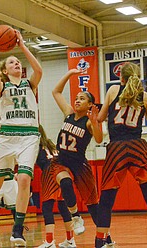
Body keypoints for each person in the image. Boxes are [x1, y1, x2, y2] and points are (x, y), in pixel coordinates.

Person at [0, 29, 42, 247]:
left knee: (23, 179)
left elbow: (38, 70)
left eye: (18, 63)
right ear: (4, 69)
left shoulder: (30, 84)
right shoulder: (3, 87)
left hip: (28, 135)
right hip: (7, 136)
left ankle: (17, 229)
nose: (17, 65)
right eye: (12, 63)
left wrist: (22, 46)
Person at [95, 62, 147, 248]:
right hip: (138, 146)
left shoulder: (113, 90)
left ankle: (99, 243)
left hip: (116, 148)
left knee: (106, 199)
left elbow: (99, 118)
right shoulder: (144, 95)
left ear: (120, 77)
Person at [51, 69, 103, 235]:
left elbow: (99, 139)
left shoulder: (88, 123)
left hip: (79, 164)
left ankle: (106, 237)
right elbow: (56, 92)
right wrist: (69, 73)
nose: (77, 100)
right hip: (61, 161)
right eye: (76, 98)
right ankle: (76, 216)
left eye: (82, 99)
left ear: (90, 105)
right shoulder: (68, 114)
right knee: (65, 183)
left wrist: (95, 123)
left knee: (93, 205)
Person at [36, 125, 78, 248]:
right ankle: (70, 240)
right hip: (61, 171)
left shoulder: (35, 146)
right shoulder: (50, 143)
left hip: (49, 173)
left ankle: (49, 241)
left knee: (47, 208)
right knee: (63, 206)